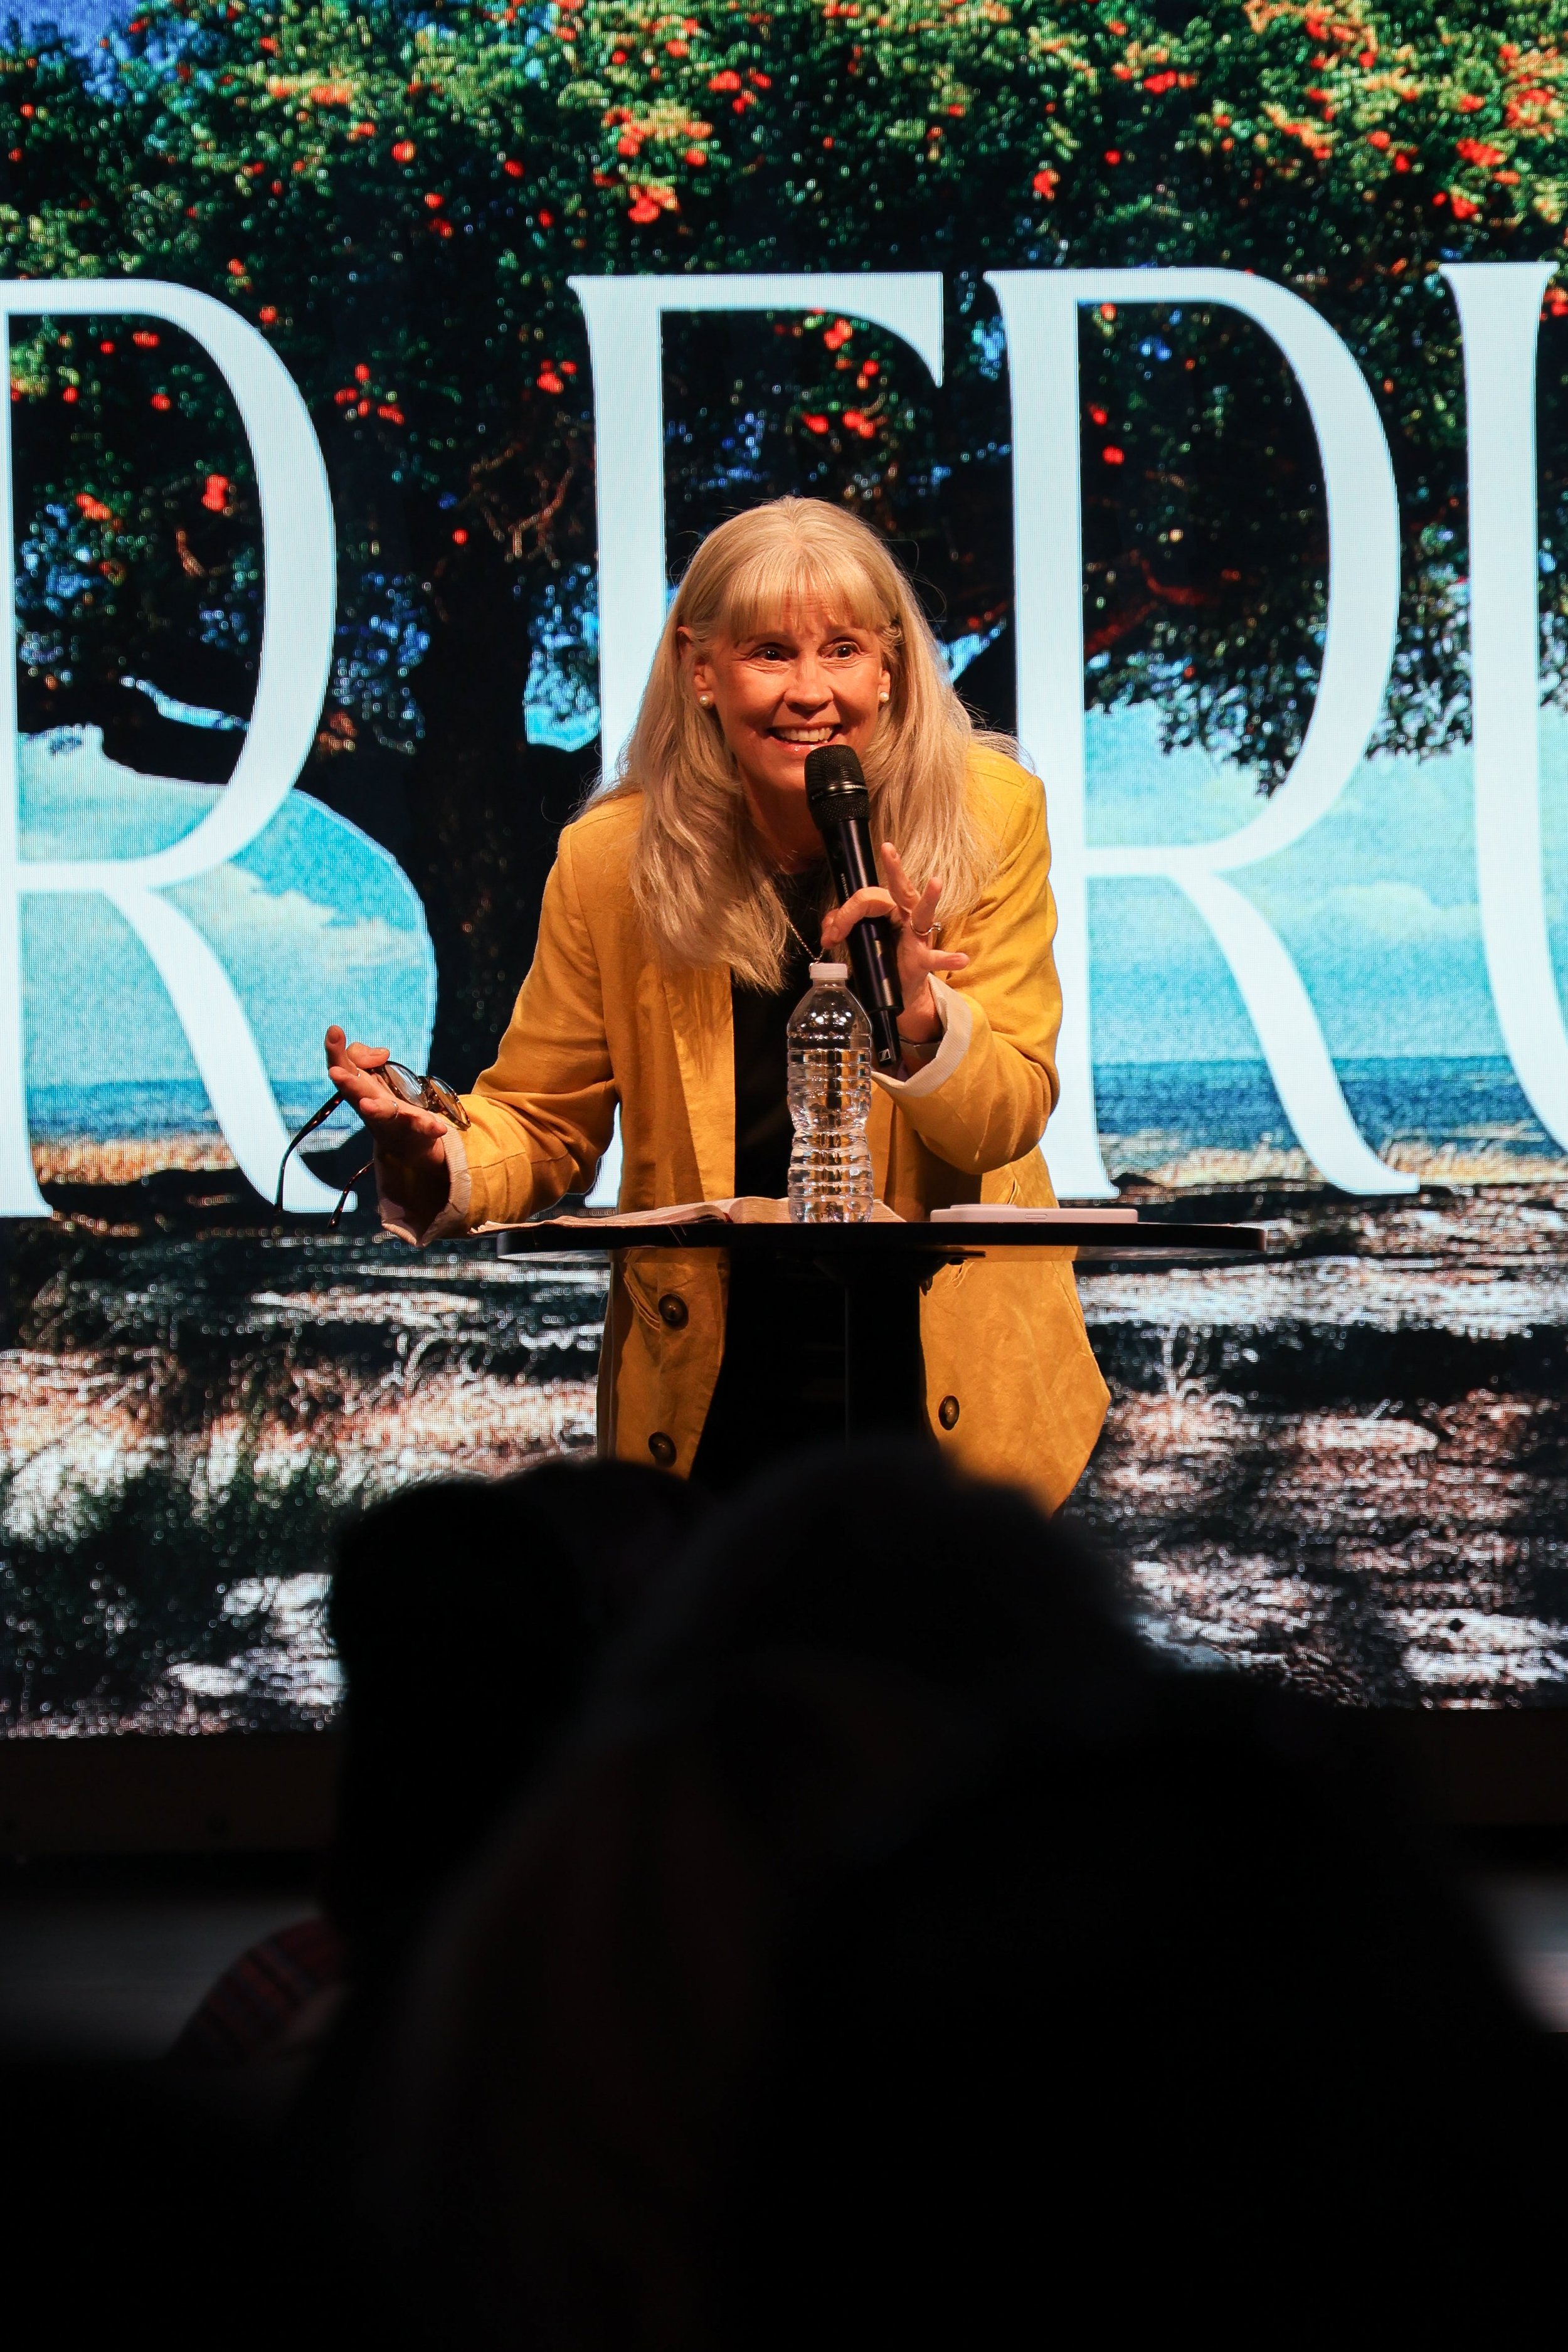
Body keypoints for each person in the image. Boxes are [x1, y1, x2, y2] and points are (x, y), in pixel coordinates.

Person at [322, 497, 1108, 1508]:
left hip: (941, 1386)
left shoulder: (990, 813)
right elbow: (545, 1119)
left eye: (843, 650)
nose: (810, 691)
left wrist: (920, 1018)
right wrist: (437, 1148)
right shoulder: (610, 863)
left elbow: (1006, 1117)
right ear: (701, 669)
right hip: (716, 1393)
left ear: (891, 669)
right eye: (770, 653)